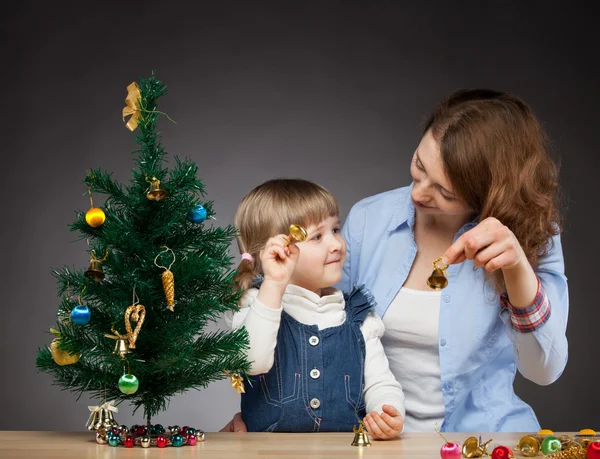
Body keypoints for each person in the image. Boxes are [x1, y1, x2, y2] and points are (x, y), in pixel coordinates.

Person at [337, 89, 568, 432]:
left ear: (487, 194)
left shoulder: (533, 235)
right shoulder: (368, 219)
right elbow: (318, 333)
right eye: (419, 167)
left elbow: (544, 370)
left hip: (485, 443)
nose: (418, 193)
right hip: (377, 444)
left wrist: (517, 269)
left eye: (444, 192)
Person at [225, 178, 405, 438]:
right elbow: (251, 362)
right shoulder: (255, 305)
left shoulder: (357, 317)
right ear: (276, 252)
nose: (336, 244)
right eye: (318, 236)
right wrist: (274, 284)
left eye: (335, 229)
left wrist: (387, 412)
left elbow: (381, 382)